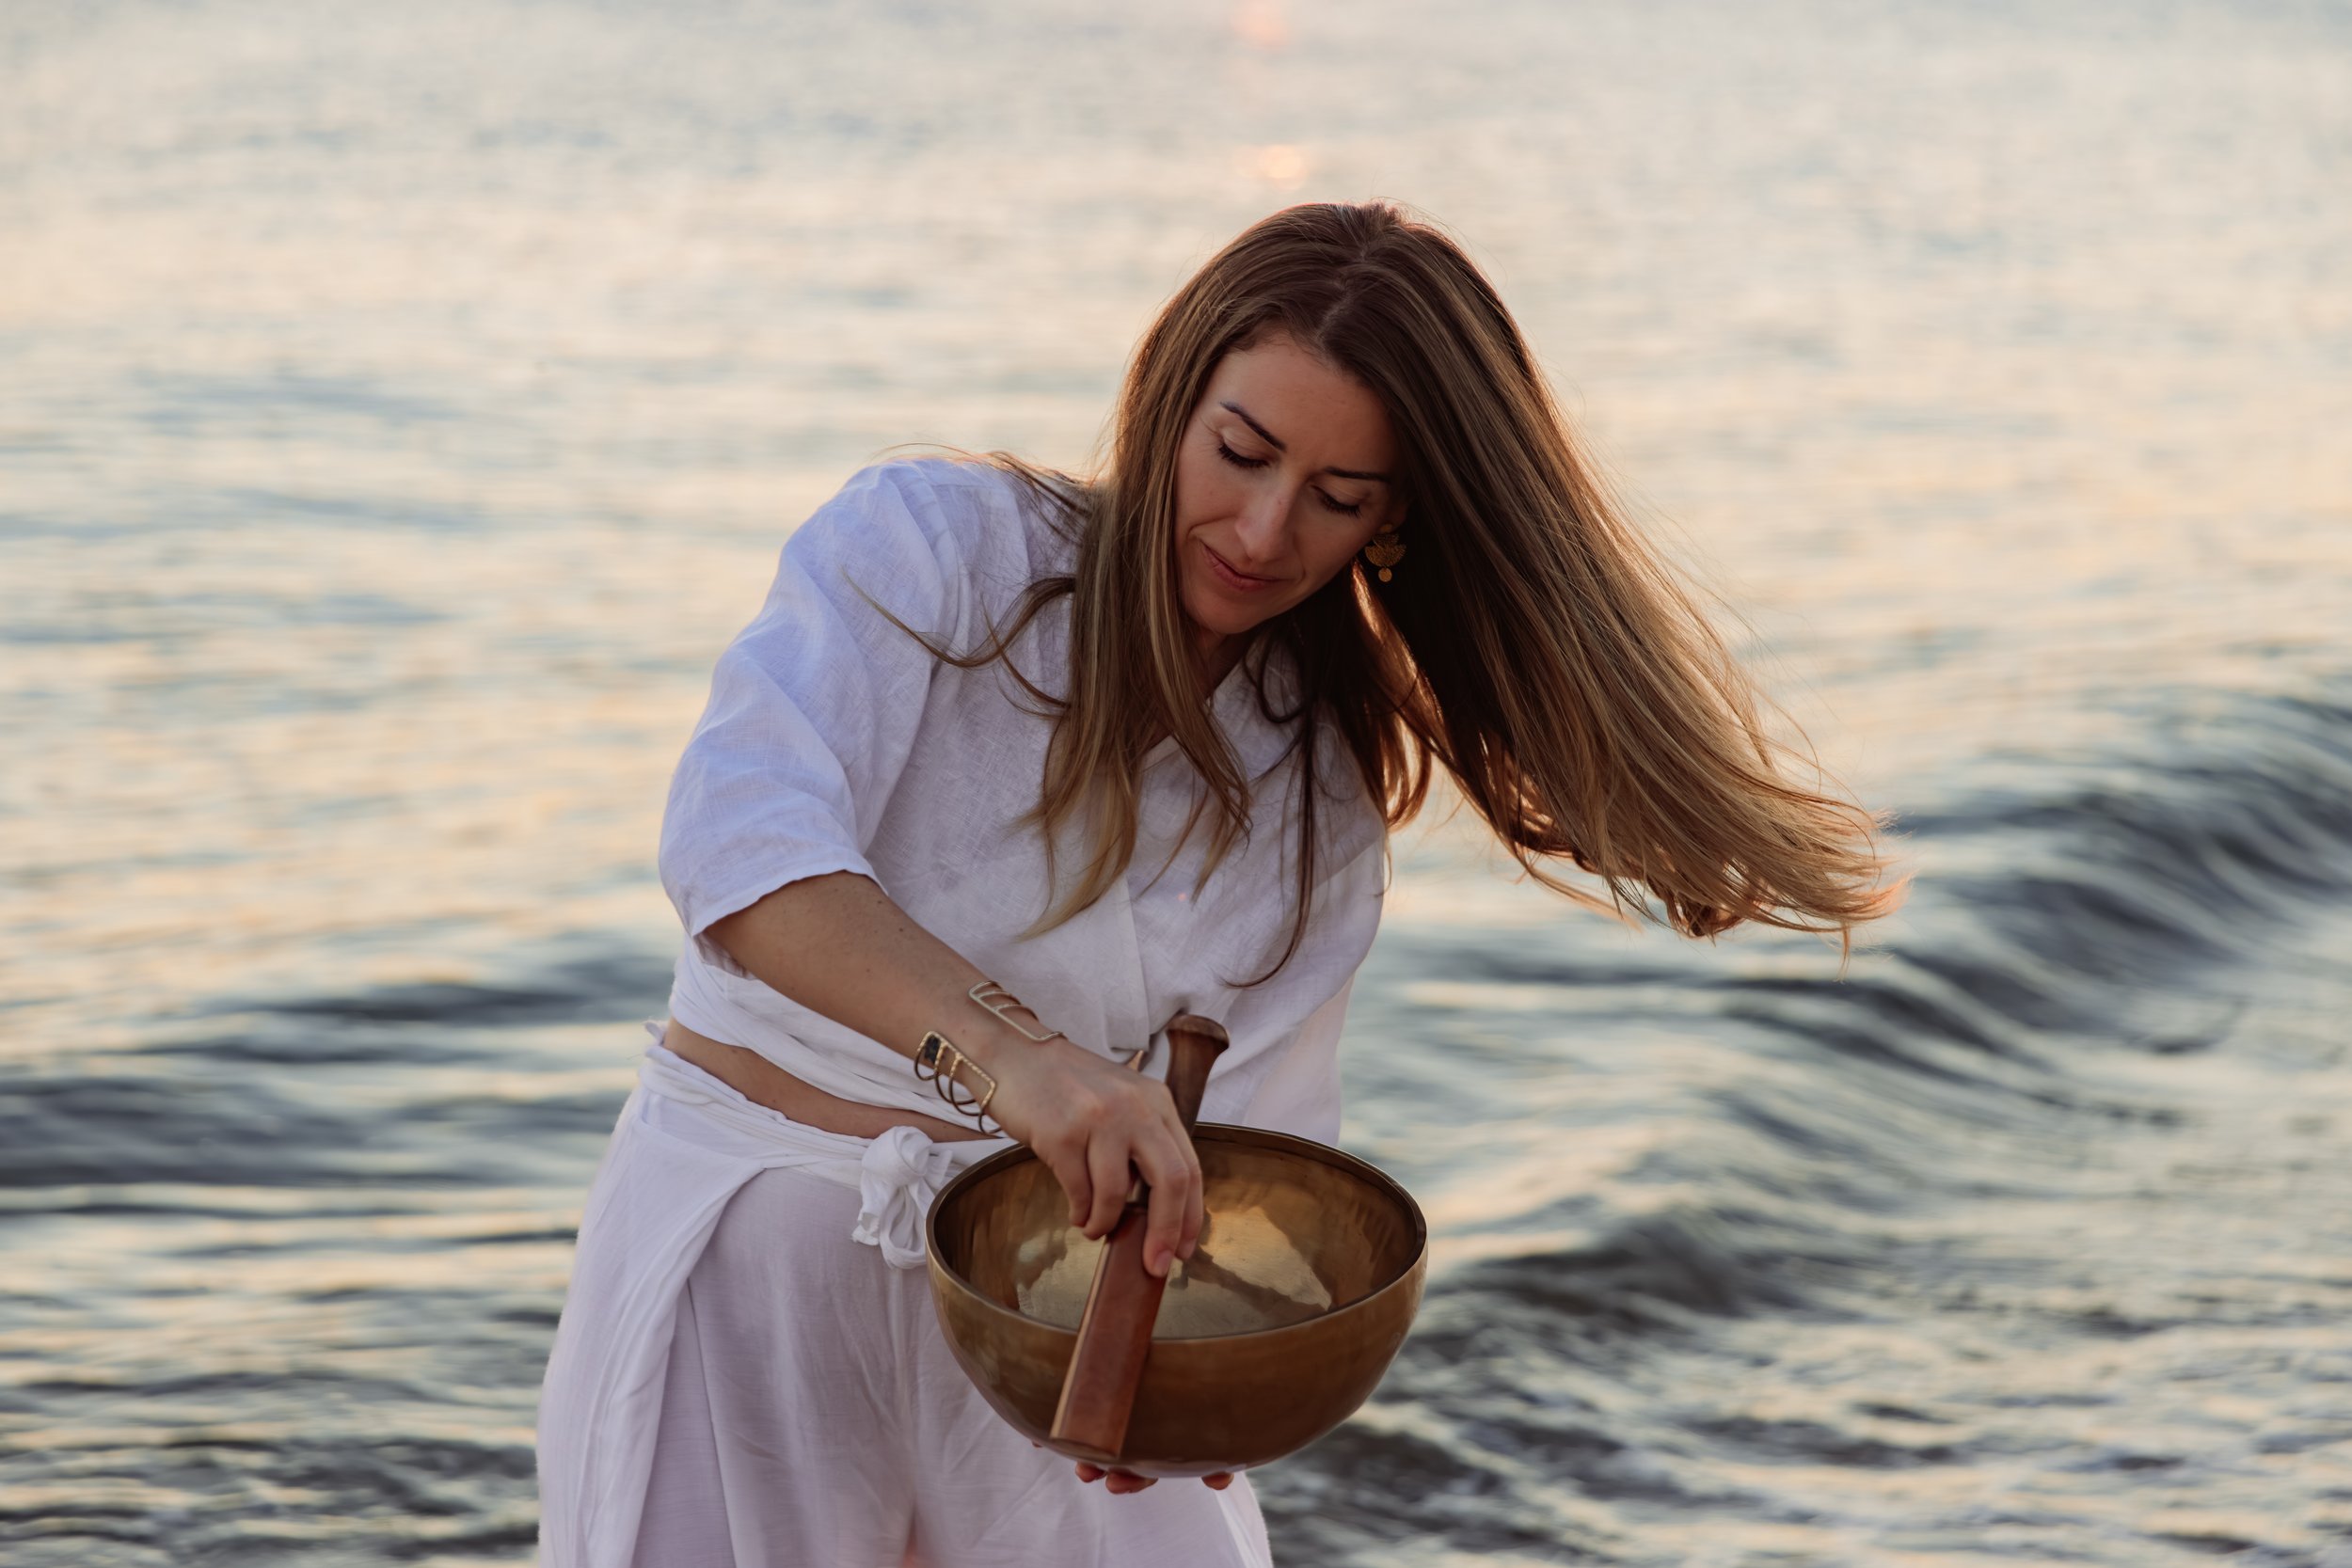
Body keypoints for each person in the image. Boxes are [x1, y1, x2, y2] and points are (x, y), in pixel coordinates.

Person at [533, 200, 1899, 1568]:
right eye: (1240, 453)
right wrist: (1018, 1063)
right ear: (1170, 400)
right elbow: (740, 849)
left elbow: (1244, 1156)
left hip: (1050, 1322)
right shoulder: (936, 546)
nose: (1261, 529)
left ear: (1393, 522)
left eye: (1337, 498)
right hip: (751, 1270)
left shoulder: (1314, 783)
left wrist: (1213, 1358)